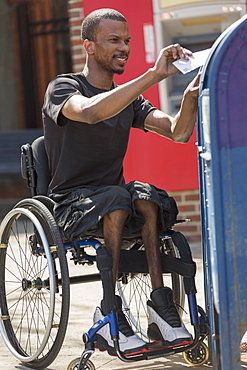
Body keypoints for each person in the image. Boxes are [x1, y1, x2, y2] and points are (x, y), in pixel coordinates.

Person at [42, 8, 200, 357]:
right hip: (71, 203)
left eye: (127, 40)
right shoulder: (64, 87)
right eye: (114, 40)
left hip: (115, 201)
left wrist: (189, 95)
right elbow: (91, 112)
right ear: (88, 45)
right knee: (117, 196)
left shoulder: (129, 99)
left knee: (146, 195)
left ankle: (161, 306)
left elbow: (178, 132)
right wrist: (153, 75)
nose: (124, 47)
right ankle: (109, 308)